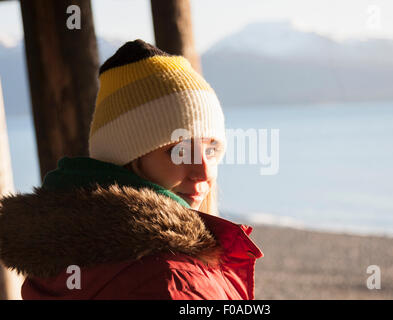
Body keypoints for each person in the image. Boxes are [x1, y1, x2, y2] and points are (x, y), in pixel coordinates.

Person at [0, 40, 263, 299]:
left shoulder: (59, 257)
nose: (204, 172)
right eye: (180, 151)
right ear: (127, 157)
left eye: (211, 149)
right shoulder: (173, 280)